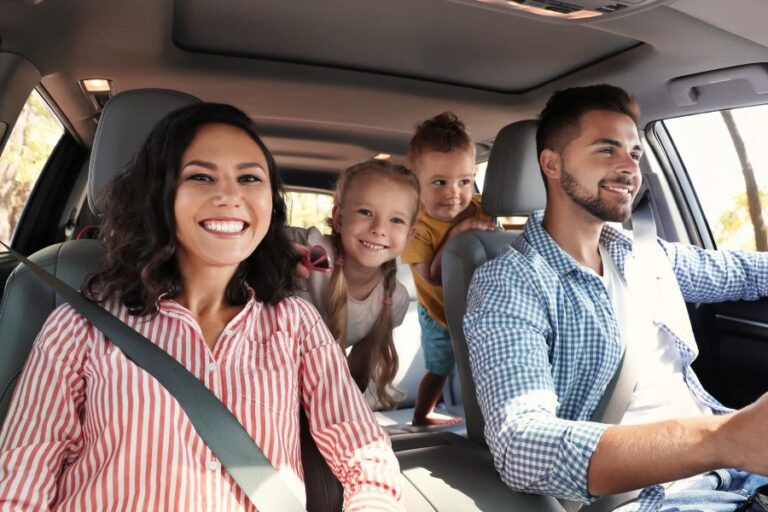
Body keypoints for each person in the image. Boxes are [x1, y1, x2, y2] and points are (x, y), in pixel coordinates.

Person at [0, 103, 403, 511]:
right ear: (161, 196)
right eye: (201, 176)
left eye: (249, 177)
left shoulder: (296, 325)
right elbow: (21, 481)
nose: (230, 195)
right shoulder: (80, 326)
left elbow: (364, 455)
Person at [464, 84, 768, 511]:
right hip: (651, 498)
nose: (629, 167)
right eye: (606, 151)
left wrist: (728, 445)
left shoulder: (646, 254)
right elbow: (521, 443)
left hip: (734, 475)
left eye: (635, 154)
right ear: (551, 164)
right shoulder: (510, 283)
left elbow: (741, 273)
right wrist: (722, 440)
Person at [287, 160, 419, 409]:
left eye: (396, 220)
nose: (379, 229)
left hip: (314, 403)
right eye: (366, 212)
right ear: (338, 218)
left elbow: (354, 376)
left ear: (410, 235)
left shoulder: (393, 299)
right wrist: (270, 253)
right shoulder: (305, 248)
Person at [401, 112, 496, 426]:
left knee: (485, 365)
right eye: (439, 182)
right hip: (438, 312)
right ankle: (422, 414)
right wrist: (459, 232)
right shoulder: (416, 226)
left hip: (479, 308)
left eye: (464, 181)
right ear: (416, 185)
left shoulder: (483, 207)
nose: (453, 192)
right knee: (440, 366)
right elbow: (431, 276)